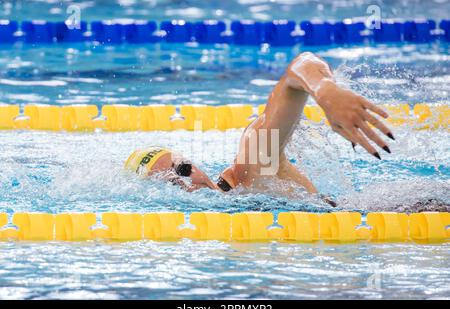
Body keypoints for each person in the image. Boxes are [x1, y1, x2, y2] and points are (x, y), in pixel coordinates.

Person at [124, 52, 394, 204]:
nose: (185, 181)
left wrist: (326, 91)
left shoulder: (251, 170)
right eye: (171, 183)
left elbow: (301, 66)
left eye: (182, 168)